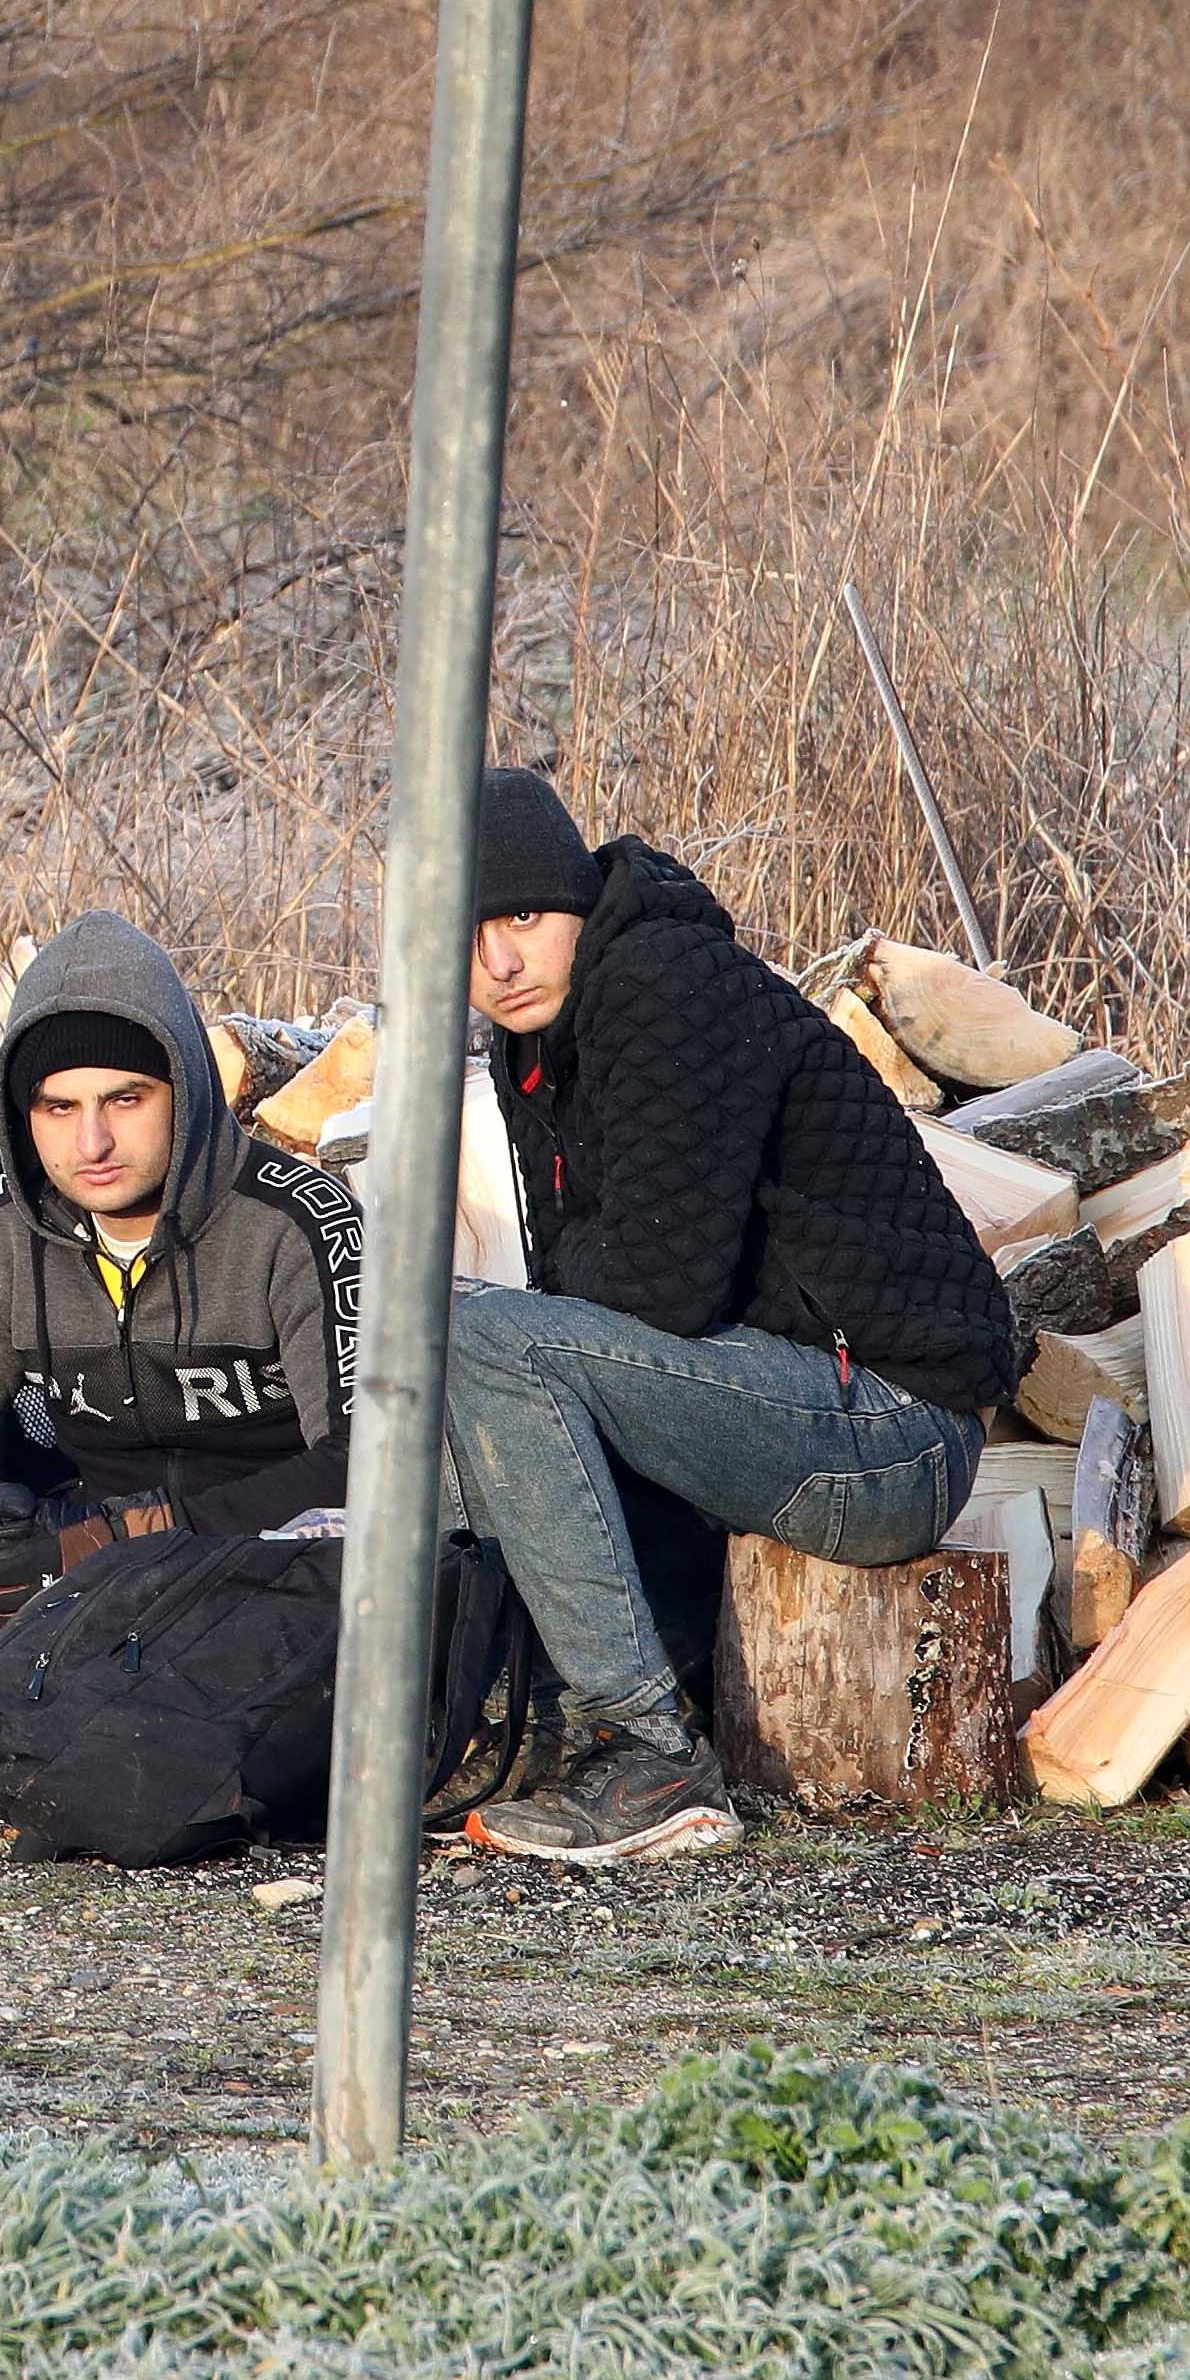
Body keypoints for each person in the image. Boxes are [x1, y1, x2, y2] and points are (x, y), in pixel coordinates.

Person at [430, 767, 1024, 1870]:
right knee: (454, 1365)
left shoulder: (661, 983)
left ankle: (647, 1755)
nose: (497, 961)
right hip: (778, 1403)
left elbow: (657, 1285)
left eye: (519, 917)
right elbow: (595, 1274)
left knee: (474, 1334)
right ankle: (521, 1720)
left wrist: (573, 1287)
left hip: (890, 1431)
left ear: (575, 902)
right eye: (463, 936)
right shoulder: (537, 1042)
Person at [0, 913, 367, 1790]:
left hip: (254, 1564)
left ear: (184, 1086)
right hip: (75, 1568)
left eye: (124, 1100)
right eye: (58, 1107)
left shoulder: (298, 1220)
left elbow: (369, 1459)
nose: (89, 1143)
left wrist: (134, 1538)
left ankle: (17, 1691)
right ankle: (59, 1677)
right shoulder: (7, 1233)